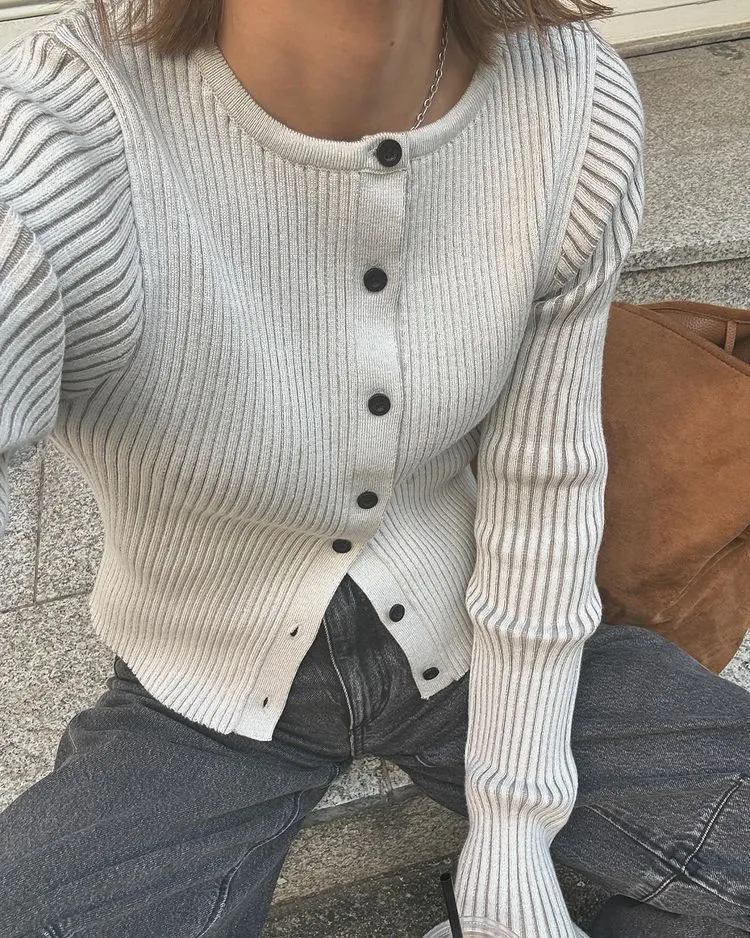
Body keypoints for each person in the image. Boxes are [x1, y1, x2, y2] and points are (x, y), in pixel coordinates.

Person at [0, 0, 748, 935]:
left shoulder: (571, 97)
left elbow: (546, 480)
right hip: (198, 679)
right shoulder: (61, 129)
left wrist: (515, 832)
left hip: (478, 633)